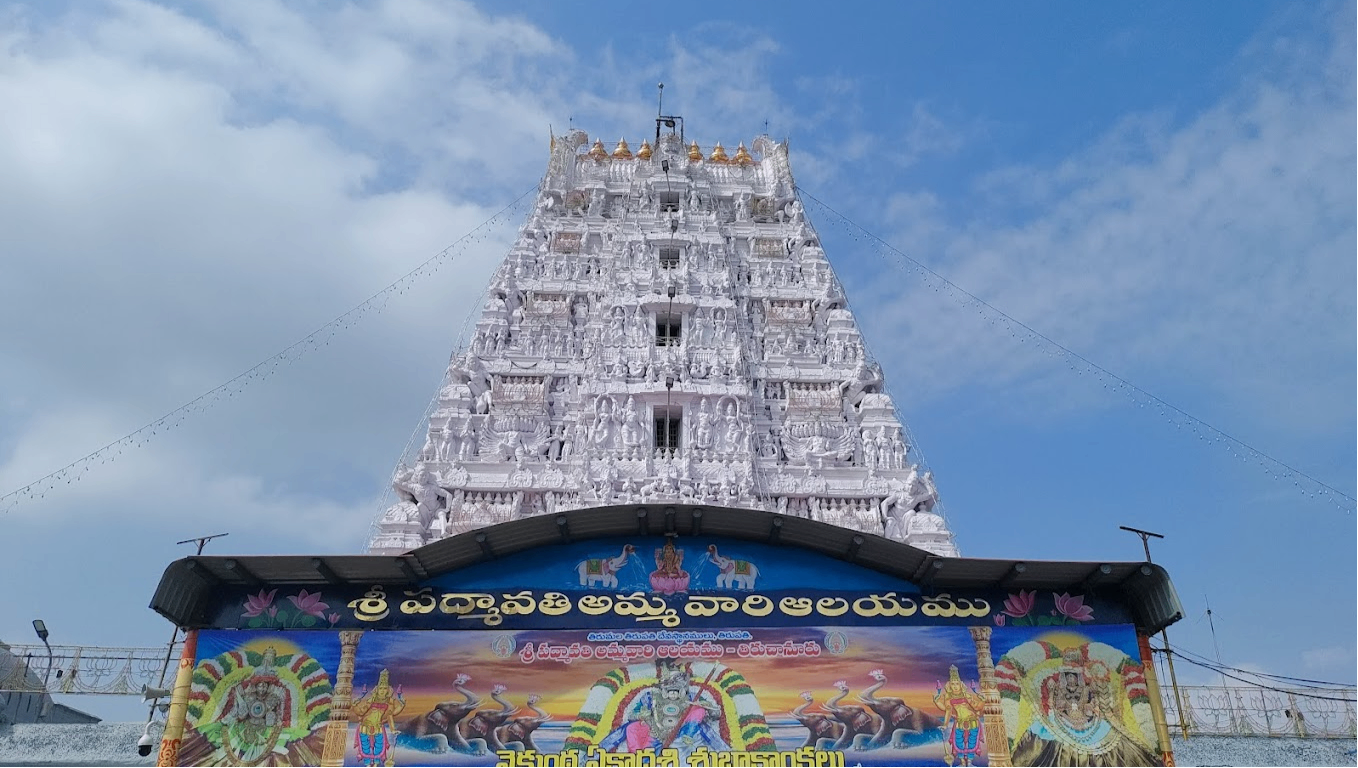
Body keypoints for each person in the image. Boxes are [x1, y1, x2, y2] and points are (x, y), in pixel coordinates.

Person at [351, 669, 406, 767]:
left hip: (378, 727)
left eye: (385, 689)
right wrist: (355, 704)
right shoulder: (371, 700)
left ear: (388, 690)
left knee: (379, 747)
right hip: (365, 726)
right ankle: (368, 764)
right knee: (365, 747)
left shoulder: (389, 701)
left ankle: (376, 764)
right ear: (377, 689)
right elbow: (361, 711)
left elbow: (391, 714)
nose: (382, 691)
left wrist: (393, 729)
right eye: (381, 688)